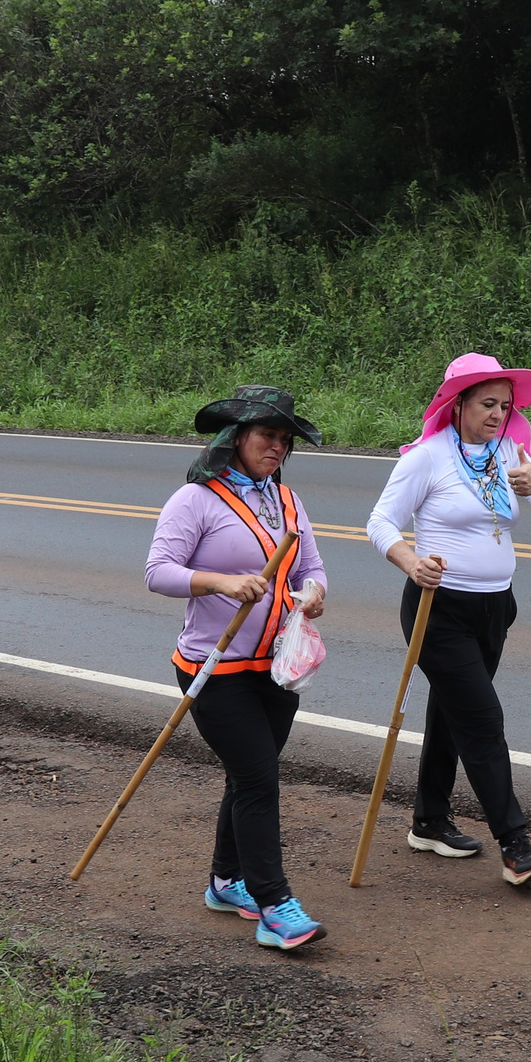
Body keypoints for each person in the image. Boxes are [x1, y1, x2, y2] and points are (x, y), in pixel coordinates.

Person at [365, 352, 531, 886]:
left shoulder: (510, 452)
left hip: (496, 606)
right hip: (440, 610)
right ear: (458, 404)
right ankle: (516, 845)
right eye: (487, 404)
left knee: (453, 711)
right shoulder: (427, 458)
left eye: (505, 405)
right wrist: (411, 562)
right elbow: (379, 521)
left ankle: (430, 821)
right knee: (481, 720)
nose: (498, 415)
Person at [144, 386, 330, 950]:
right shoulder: (196, 501)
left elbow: (313, 567)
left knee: (251, 774)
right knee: (258, 777)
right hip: (215, 666)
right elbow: (158, 572)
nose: (277, 447)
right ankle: (275, 906)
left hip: (275, 665)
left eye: (284, 439)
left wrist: (314, 593)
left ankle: (226, 882)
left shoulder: (288, 501)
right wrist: (221, 582)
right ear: (236, 438)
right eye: (267, 436)